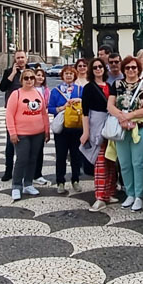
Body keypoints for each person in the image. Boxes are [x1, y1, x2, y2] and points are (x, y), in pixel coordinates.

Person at [108, 55, 143, 211]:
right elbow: (110, 105)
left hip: (140, 126)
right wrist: (121, 117)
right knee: (124, 163)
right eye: (127, 67)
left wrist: (131, 115)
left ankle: (140, 195)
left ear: (138, 69)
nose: (131, 70)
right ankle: (130, 193)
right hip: (121, 127)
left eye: (134, 67)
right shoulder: (117, 84)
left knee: (138, 163)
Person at [4, 69, 50, 201]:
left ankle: (28, 183)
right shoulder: (16, 94)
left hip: (38, 133)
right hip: (22, 133)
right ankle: (16, 185)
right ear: (22, 80)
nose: (29, 80)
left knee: (33, 159)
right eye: (26, 78)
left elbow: (43, 113)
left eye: (31, 78)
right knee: (22, 159)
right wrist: (12, 132)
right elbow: (9, 115)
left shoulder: (38, 93)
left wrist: (47, 130)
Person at [82, 58, 116, 211]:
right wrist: (86, 131)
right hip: (96, 125)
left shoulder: (109, 86)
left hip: (110, 124)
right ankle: (100, 196)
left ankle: (108, 192)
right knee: (100, 161)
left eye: (100, 67)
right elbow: (84, 111)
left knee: (111, 160)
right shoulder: (89, 87)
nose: (98, 69)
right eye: (95, 67)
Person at [48, 65, 84, 194]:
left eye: (71, 73)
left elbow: (86, 103)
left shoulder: (80, 90)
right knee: (61, 155)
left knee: (76, 155)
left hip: (76, 127)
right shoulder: (55, 91)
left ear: (75, 75)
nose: (69, 76)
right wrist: (61, 108)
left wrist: (79, 100)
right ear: (62, 76)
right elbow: (50, 108)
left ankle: (75, 180)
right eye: (66, 73)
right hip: (62, 128)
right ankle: (60, 181)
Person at [0, 50, 29, 182]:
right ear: (14, 59)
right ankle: (8, 170)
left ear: (26, 59)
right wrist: (12, 74)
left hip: (28, 111)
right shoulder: (8, 72)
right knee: (11, 142)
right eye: (18, 58)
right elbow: (2, 87)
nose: (20, 60)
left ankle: (28, 171)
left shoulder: (31, 71)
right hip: (13, 112)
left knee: (28, 142)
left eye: (22, 57)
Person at [31, 66, 52, 185]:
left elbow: (47, 106)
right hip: (29, 123)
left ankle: (37, 174)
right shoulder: (30, 89)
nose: (40, 77)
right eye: (38, 75)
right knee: (28, 151)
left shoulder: (46, 90)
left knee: (39, 151)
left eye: (42, 75)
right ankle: (27, 174)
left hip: (41, 121)